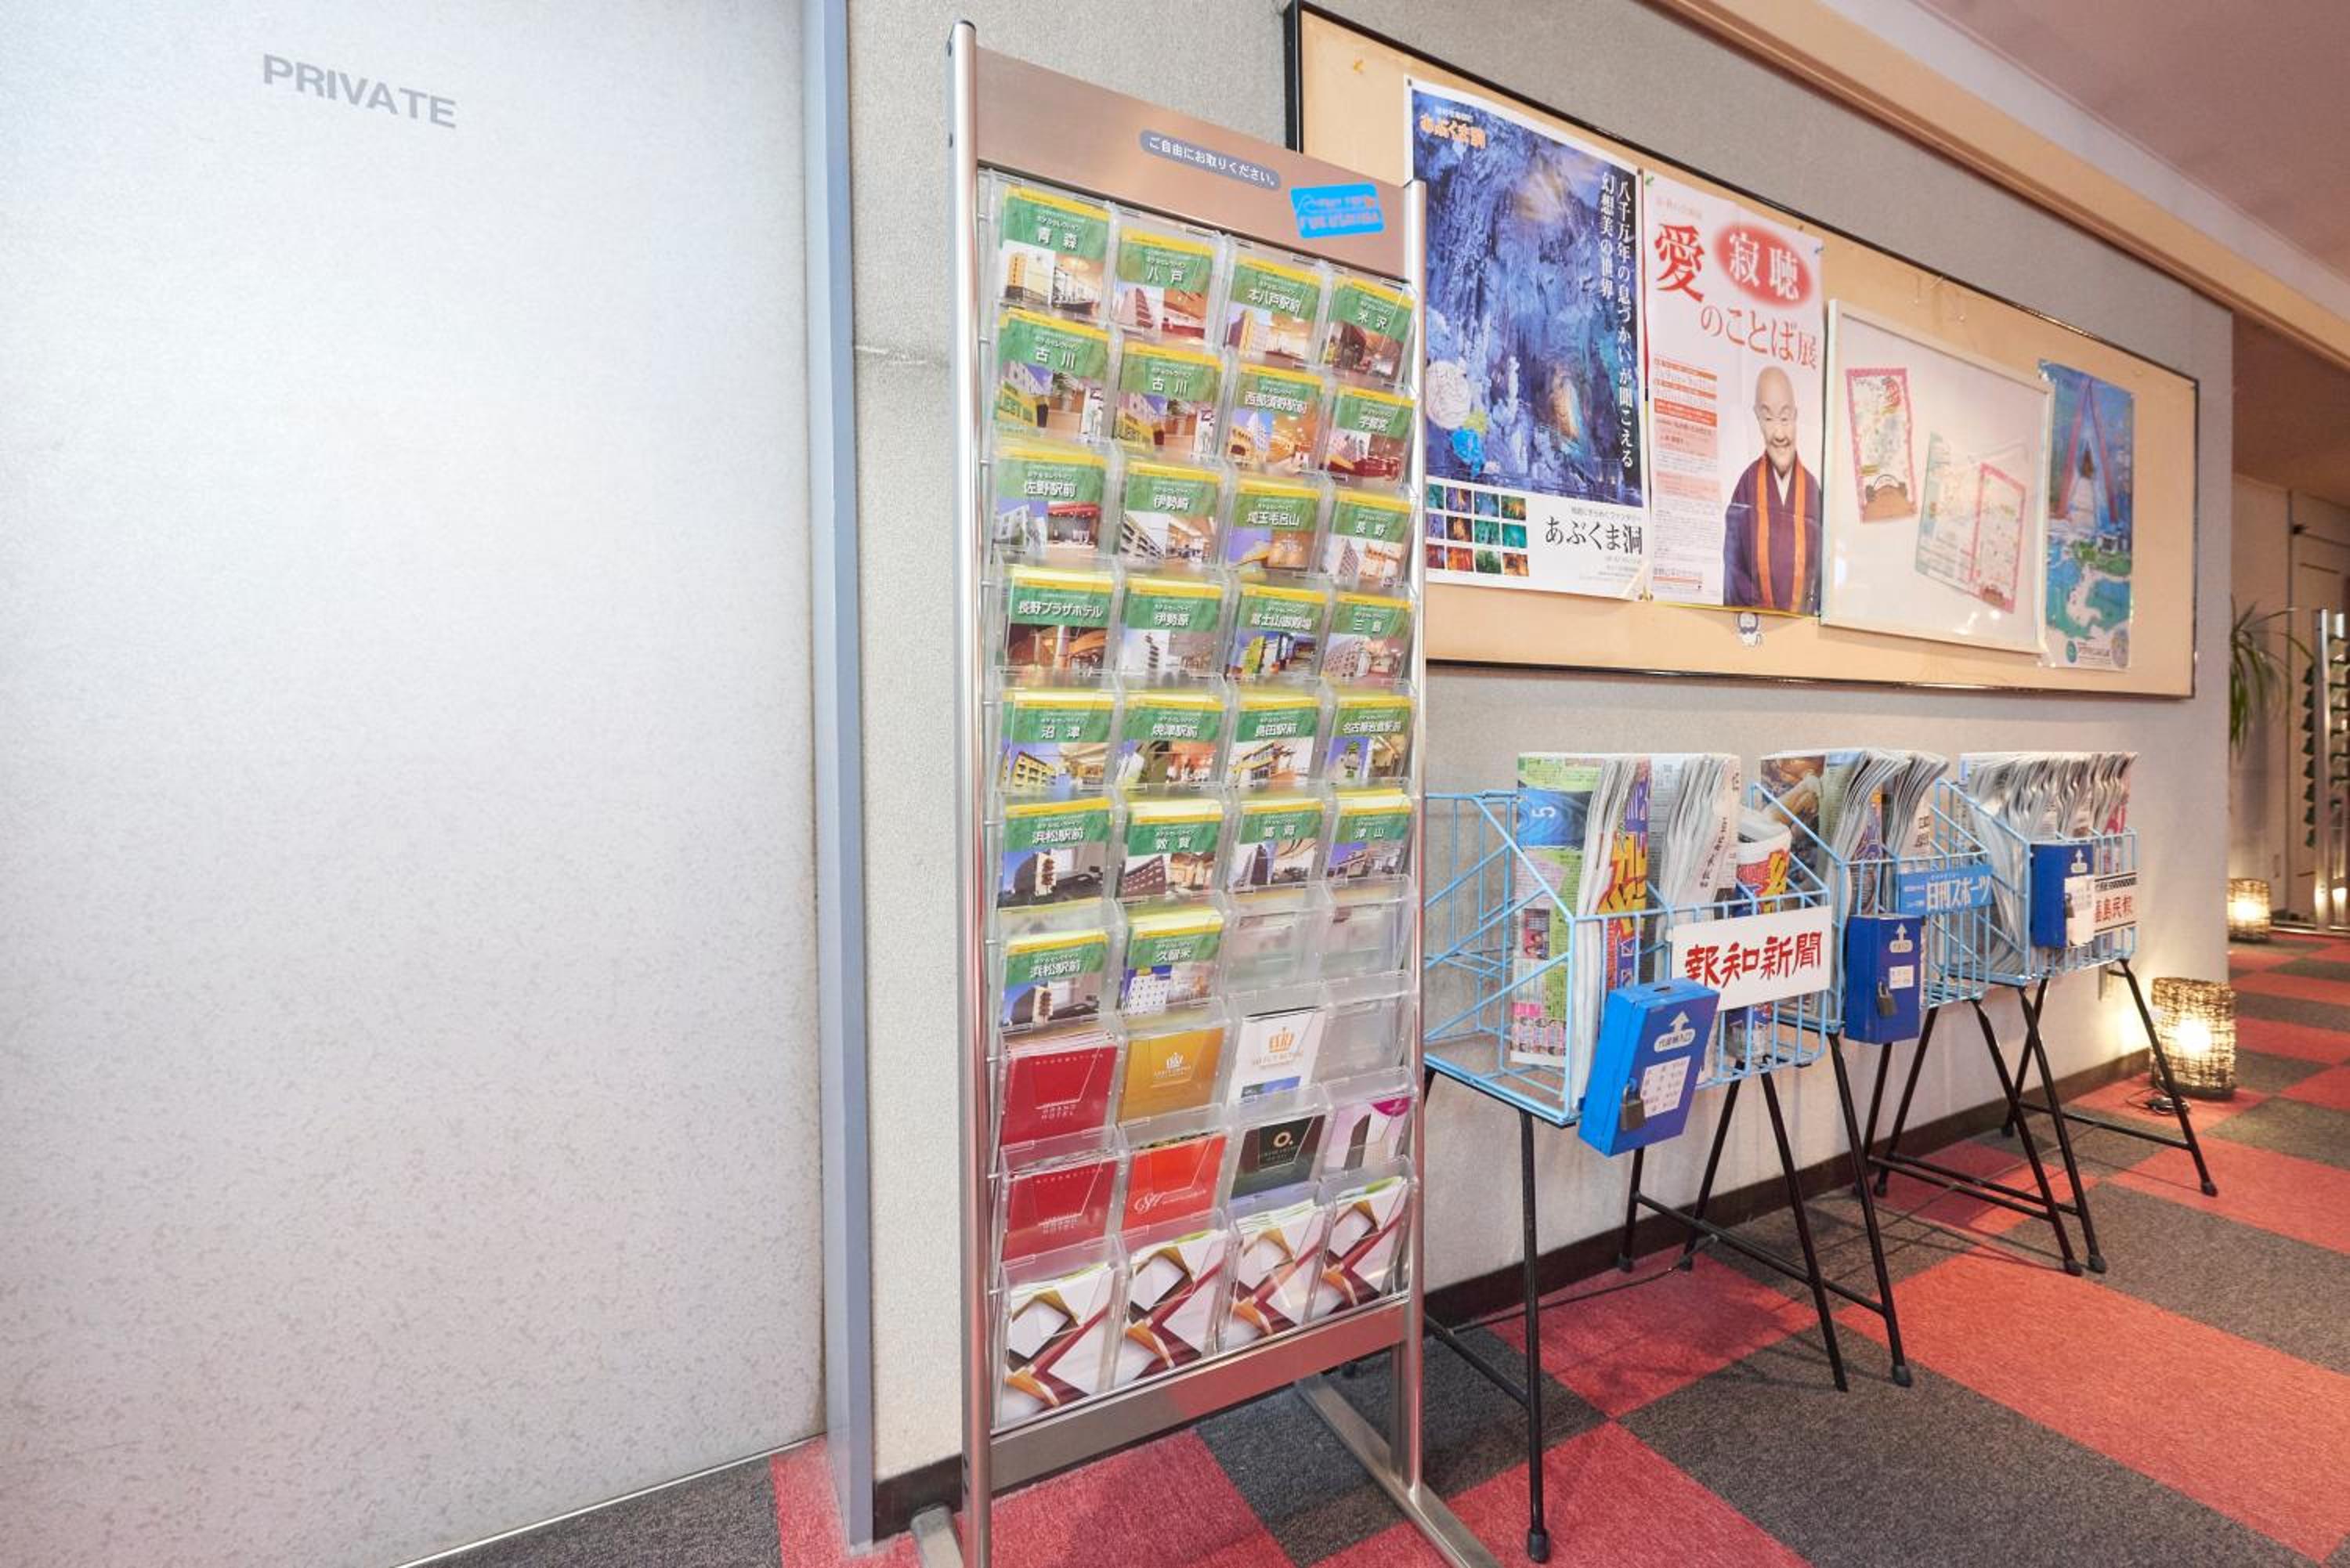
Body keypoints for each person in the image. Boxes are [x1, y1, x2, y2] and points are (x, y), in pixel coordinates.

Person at [1721, 365, 1820, 614]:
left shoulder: (1812, 490)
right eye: (1768, 419)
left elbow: (1822, 575)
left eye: (1785, 418)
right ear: (1757, 418)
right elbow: (1734, 569)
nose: (1779, 434)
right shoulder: (1747, 485)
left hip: (1805, 632)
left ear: (1796, 416)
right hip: (1756, 631)